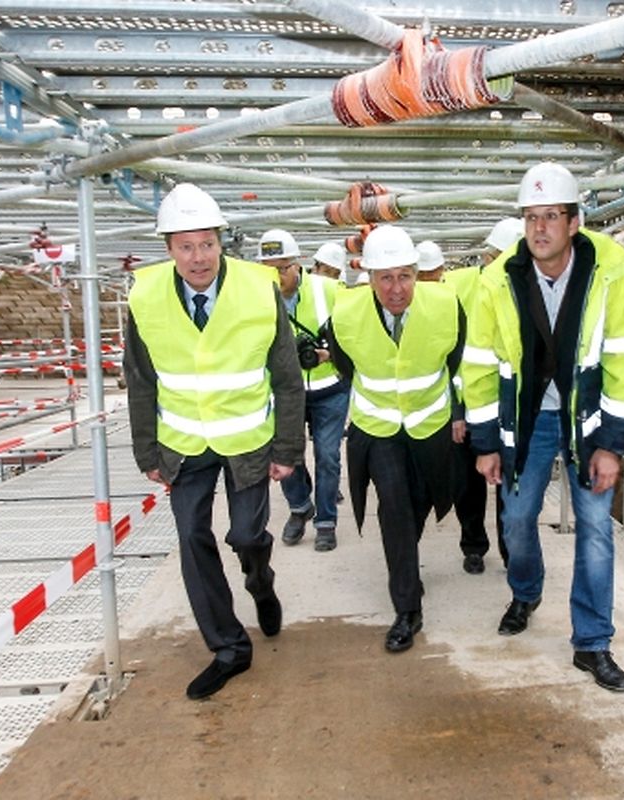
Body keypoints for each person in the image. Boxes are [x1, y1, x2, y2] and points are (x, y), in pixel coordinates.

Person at [464, 163, 624, 693]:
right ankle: (526, 589)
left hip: (585, 421)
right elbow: (477, 363)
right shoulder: (498, 280)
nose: (539, 228)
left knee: (595, 531)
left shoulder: (610, 273)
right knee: (517, 518)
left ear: (574, 222)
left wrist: (610, 445)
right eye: (530, 217)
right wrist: (486, 442)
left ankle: (592, 643)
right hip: (527, 420)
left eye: (551, 217)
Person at [123, 183, 304, 700]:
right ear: (168, 248)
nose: (198, 257)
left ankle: (260, 582)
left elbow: (286, 375)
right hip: (182, 442)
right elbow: (140, 378)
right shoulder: (146, 294)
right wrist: (147, 452)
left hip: (247, 439)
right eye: (185, 246)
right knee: (190, 539)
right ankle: (229, 648)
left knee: (247, 535)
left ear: (222, 242)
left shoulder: (256, 286)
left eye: (206, 244)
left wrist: (289, 449)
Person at [327, 225, 465, 653]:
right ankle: (407, 607)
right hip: (378, 429)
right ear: (368, 278)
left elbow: (457, 362)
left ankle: (404, 554)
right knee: (395, 507)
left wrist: (457, 413)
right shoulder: (345, 314)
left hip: (430, 426)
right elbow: (343, 364)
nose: (396, 288)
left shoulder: (446, 306)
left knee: (420, 502)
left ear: (417, 274)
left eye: (404, 276)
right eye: (385, 277)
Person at [258, 229, 349, 552]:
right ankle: (300, 507)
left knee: (328, 456)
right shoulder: (255, 299)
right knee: (286, 457)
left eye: (283, 267)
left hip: (330, 389)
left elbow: (357, 333)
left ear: (298, 265)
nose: (276, 276)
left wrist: (330, 355)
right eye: (269, 269)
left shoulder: (329, 290)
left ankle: (326, 520)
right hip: (285, 394)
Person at [414, 240, 498, 575]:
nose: (427, 284)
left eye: (432, 276)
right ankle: (465, 545)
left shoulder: (454, 298)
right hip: (420, 414)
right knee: (438, 486)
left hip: (461, 406)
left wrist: (458, 412)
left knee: (472, 483)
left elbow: (461, 360)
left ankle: (485, 546)